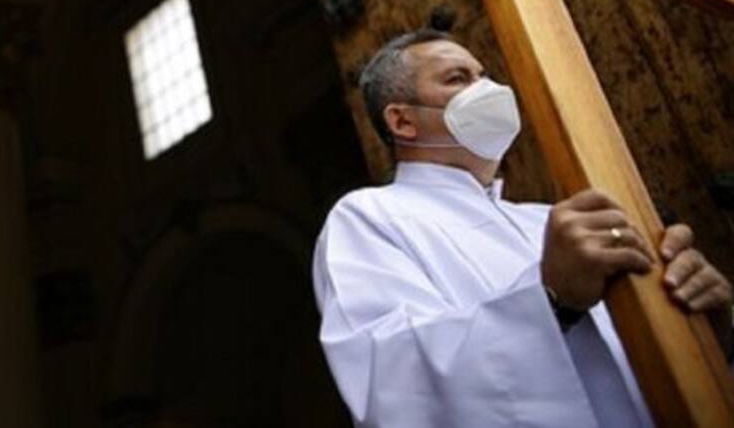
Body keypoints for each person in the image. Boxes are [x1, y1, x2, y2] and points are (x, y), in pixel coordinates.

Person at [312, 29, 733, 428]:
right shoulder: (368, 219)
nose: (487, 90)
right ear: (403, 121)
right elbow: (395, 387)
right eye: (458, 79)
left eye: (485, 75)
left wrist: (705, 337)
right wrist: (549, 299)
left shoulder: (546, 220)